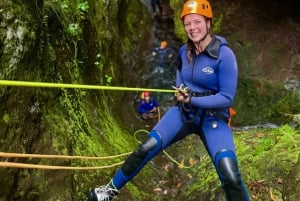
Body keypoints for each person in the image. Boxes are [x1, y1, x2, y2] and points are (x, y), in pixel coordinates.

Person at [88, 0, 250, 200]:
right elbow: (180, 80)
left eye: (197, 22)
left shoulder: (224, 55)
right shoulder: (184, 52)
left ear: (209, 23)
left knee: (230, 174)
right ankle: (109, 191)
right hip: (184, 113)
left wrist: (191, 99)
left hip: (213, 119)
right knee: (145, 148)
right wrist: (182, 94)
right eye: (188, 23)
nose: (192, 28)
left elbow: (226, 98)